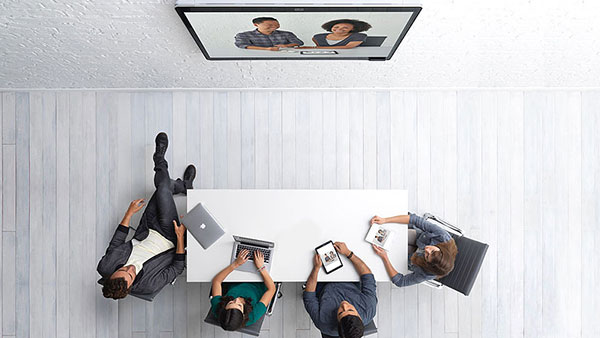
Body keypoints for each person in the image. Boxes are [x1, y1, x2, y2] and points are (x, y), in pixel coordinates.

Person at [97, 132, 196, 300]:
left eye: (123, 269)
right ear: (131, 286)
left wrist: (129, 213)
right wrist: (179, 237)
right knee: (164, 189)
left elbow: (117, 241)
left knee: (162, 188)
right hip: (171, 238)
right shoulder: (148, 286)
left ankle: (173, 176)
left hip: (148, 228)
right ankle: (173, 175)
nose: (130, 268)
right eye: (130, 274)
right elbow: (177, 268)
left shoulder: (106, 267)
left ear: (112, 274)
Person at [303, 242, 377, 338]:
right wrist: (348, 253)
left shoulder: (322, 323)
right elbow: (368, 276)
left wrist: (316, 268)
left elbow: (309, 296)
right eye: (351, 309)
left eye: (341, 312)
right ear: (359, 316)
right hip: (350, 278)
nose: (344, 304)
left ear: (337, 321)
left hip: (321, 284)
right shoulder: (369, 308)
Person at [370, 213, 458, 287]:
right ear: (441, 249)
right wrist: (385, 220)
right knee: (388, 233)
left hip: (410, 258)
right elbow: (415, 220)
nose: (426, 249)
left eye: (427, 256)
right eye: (433, 251)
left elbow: (401, 282)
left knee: (376, 249)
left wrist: (385, 258)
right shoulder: (443, 237)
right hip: (418, 238)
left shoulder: (427, 273)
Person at [210, 249, 277, 331]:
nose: (237, 299)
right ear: (244, 314)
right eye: (239, 305)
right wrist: (261, 267)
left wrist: (236, 264)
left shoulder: (218, 308)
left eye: (231, 302)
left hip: (237, 278)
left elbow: (216, 281)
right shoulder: (253, 314)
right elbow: (271, 289)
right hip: (260, 281)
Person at [234, 17, 304, 51]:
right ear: (256, 24)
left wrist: (285, 45)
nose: (274, 27)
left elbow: (299, 43)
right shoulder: (243, 35)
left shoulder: (287, 34)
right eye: (270, 25)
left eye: (277, 25)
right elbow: (242, 45)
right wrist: (267, 49)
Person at [305, 19, 371, 49]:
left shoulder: (358, 36)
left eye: (345, 28)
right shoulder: (318, 37)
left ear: (353, 29)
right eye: (336, 27)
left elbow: (348, 47)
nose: (339, 29)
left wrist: (314, 48)